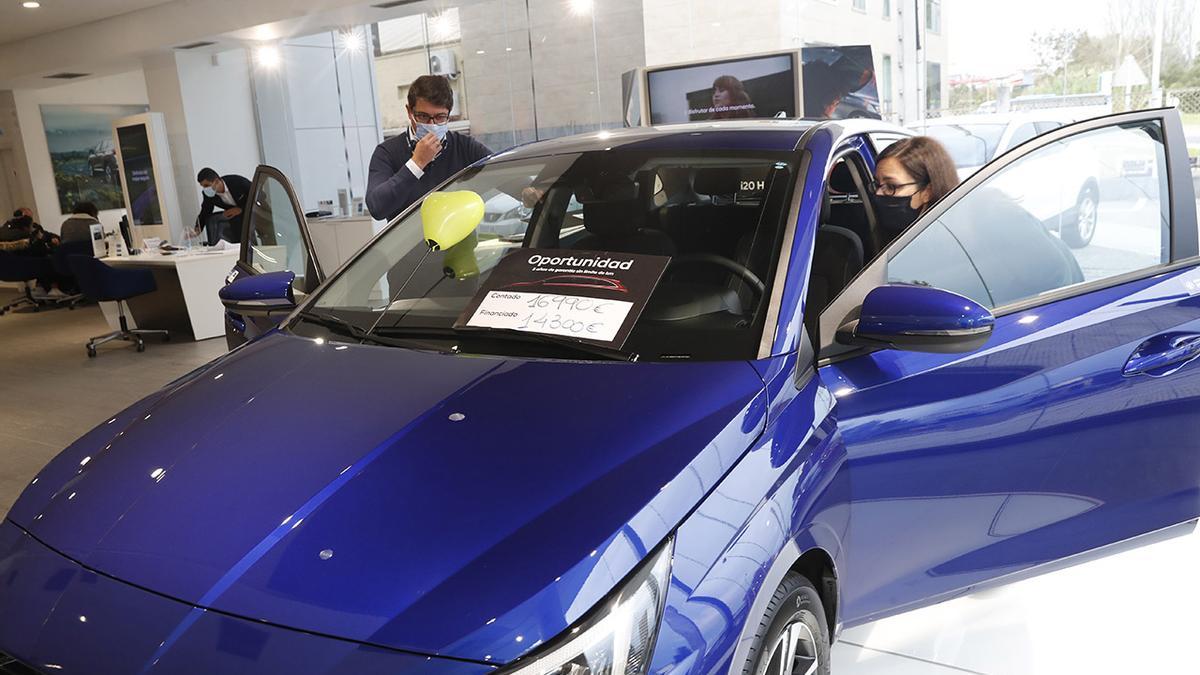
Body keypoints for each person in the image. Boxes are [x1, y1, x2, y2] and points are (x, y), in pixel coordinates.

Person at [366, 75, 492, 222]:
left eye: (440, 117)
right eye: (423, 116)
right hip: (408, 244)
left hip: (460, 243)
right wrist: (416, 163)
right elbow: (377, 207)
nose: (432, 124)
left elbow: (504, 173)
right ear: (410, 112)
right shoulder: (387, 152)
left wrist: (523, 191)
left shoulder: (465, 146)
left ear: (449, 115)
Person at [872, 136, 959, 240]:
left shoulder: (947, 242)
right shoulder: (878, 235)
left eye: (891, 186)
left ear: (927, 192)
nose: (878, 193)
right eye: (877, 184)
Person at [194, 168, 251, 245]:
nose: (205, 189)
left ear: (217, 181)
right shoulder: (209, 195)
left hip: (258, 213)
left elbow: (259, 195)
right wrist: (197, 229)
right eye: (203, 186)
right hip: (238, 222)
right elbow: (205, 211)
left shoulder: (237, 181)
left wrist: (241, 209)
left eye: (207, 185)